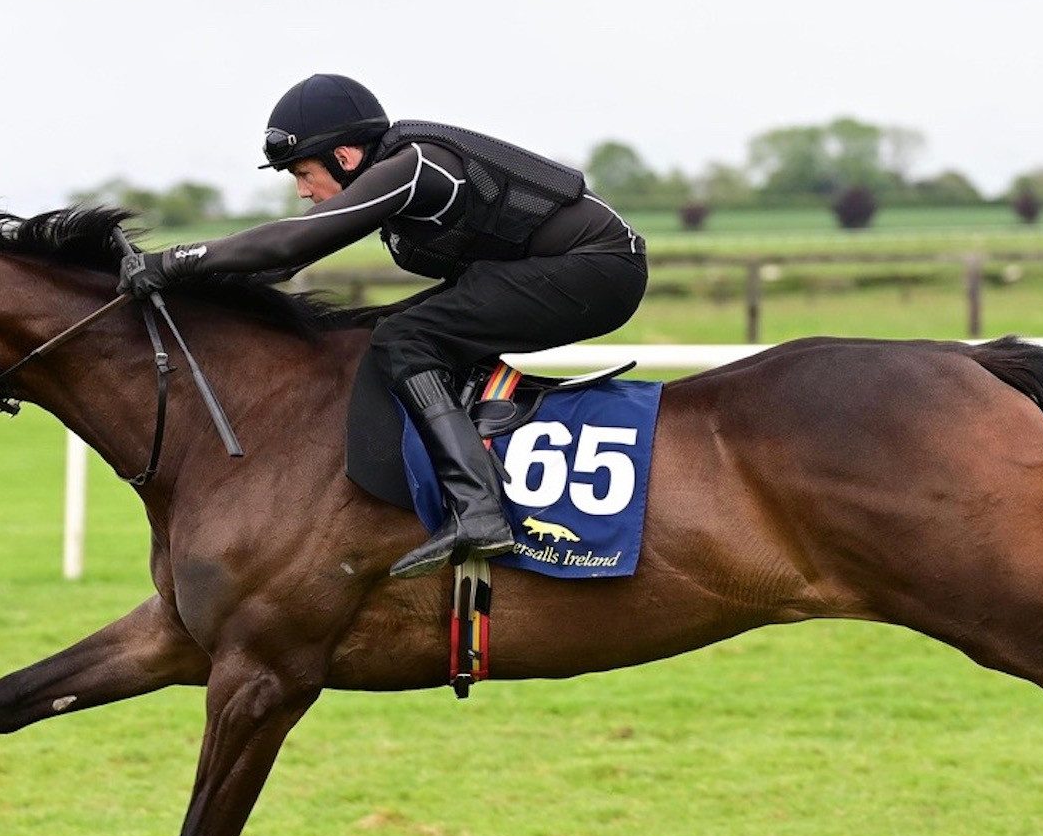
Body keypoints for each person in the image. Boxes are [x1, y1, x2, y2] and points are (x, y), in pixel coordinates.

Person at [119, 74, 648, 579]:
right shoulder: (393, 179)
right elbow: (279, 267)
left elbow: (292, 242)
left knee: (404, 336)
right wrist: (178, 286)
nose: (303, 190)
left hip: (596, 267)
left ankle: (479, 508)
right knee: (383, 327)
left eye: (304, 173)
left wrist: (174, 260)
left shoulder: (415, 167)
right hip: (562, 270)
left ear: (344, 156)